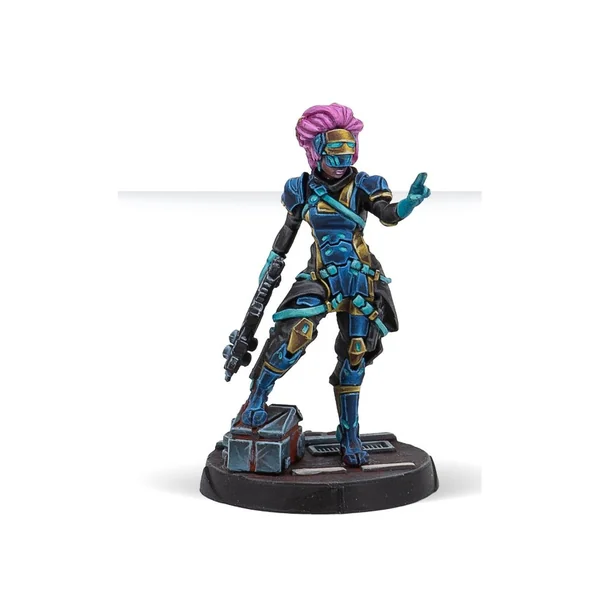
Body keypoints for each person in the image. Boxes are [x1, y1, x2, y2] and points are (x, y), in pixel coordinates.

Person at [235, 103, 430, 466]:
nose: (342, 160)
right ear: (316, 151)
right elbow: (288, 230)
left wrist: (409, 204)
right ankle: (257, 397)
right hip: (319, 274)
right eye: (334, 152)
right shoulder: (301, 189)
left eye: (348, 151)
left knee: (355, 353)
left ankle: (349, 433)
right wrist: (272, 263)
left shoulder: (365, 185)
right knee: (295, 333)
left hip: (358, 275)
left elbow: (388, 215)